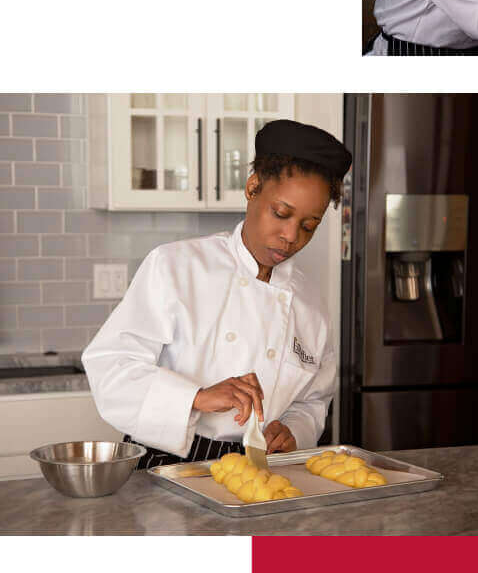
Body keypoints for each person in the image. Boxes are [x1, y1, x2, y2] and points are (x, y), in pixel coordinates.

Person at [82, 119, 352, 470]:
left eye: (308, 225)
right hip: (167, 462)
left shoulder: (311, 305)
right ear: (253, 187)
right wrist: (197, 397)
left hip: (258, 469)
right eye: (281, 213)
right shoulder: (176, 266)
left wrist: (294, 430)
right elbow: (111, 367)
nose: (290, 236)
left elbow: (314, 400)